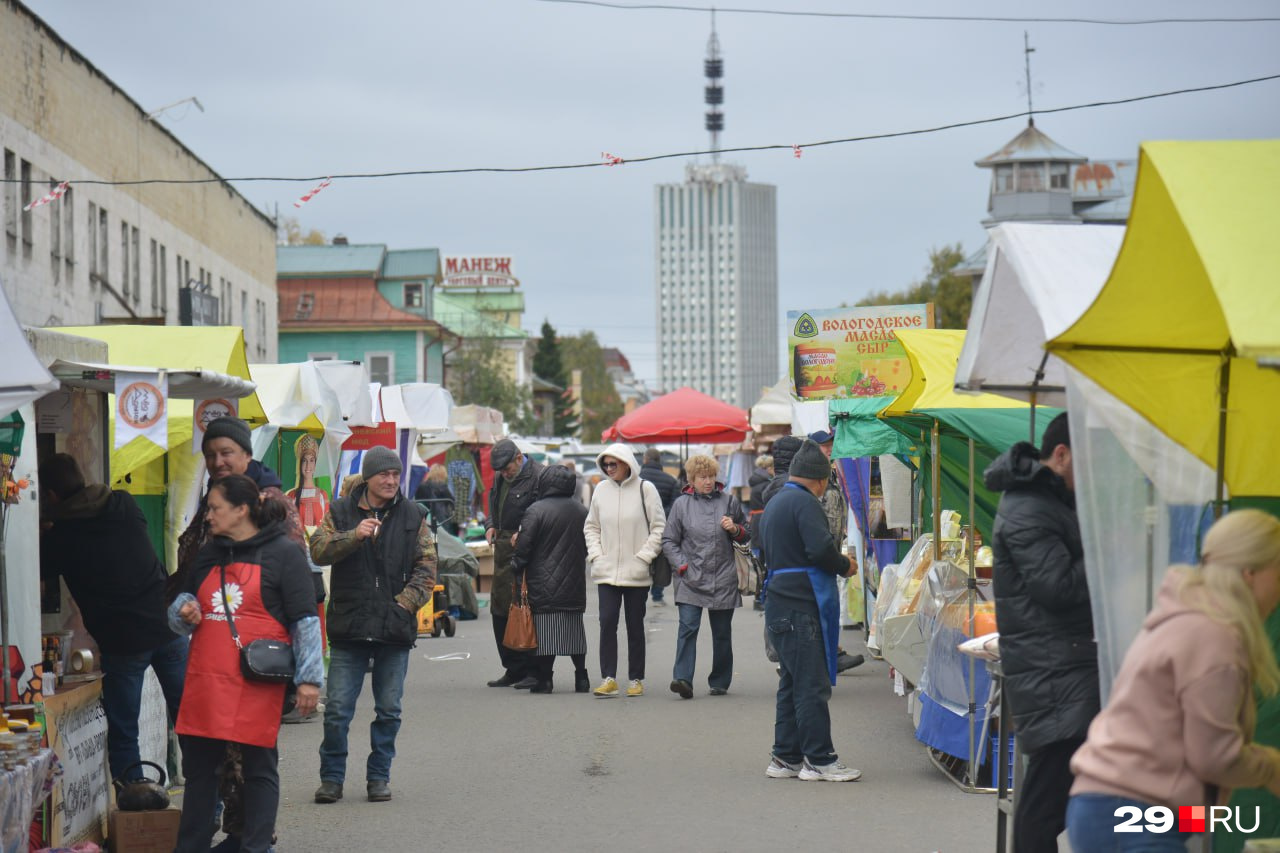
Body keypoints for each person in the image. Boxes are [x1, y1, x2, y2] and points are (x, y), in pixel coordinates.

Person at [1066, 509, 1280, 851]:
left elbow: (1187, 797)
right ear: (1250, 573)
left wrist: (1207, 816)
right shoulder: (1215, 638)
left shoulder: (1183, 617)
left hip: (1104, 806)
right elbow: (1214, 757)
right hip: (1134, 813)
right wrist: (1269, 768)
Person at [171, 416, 309, 848]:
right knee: (202, 771)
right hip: (208, 677)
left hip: (254, 676)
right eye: (211, 455)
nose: (217, 461)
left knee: (254, 769)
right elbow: (182, 595)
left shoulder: (281, 537)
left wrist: (308, 679)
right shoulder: (211, 546)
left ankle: (253, 843)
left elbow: (303, 616)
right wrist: (184, 610)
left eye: (226, 452)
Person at [983, 412, 1098, 852]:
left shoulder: (1049, 501)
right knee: (1042, 808)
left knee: (1053, 802)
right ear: (1062, 455)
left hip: (1063, 667)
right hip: (1054, 674)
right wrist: (1111, 547)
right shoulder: (1029, 507)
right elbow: (1058, 586)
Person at [38, 454, 186, 783]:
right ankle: (213, 802)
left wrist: (44, 532)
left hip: (123, 642)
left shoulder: (62, 537)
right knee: (190, 720)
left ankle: (135, 809)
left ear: (50, 496)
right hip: (167, 625)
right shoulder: (124, 505)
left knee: (124, 733)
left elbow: (39, 570)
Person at [310, 446, 437, 804]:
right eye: (384, 474)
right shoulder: (340, 512)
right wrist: (354, 536)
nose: (391, 481)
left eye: (396, 475)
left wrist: (402, 606)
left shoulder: (414, 516)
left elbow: (427, 571)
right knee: (337, 710)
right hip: (349, 628)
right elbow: (317, 550)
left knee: (389, 710)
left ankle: (378, 777)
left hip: (393, 629)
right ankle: (331, 778)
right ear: (368, 477)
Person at [758, 439, 862, 782]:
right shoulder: (804, 503)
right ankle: (820, 758)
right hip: (800, 605)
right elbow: (820, 550)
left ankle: (785, 757)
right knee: (811, 685)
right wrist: (844, 565)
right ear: (818, 480)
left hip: (779, 603)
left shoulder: (776, 502)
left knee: (791, 683)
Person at [661, 453, 748, 699]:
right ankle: (682, 679)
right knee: (687, 628)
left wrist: (736, 529)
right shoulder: (681, 505)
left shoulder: (729, 502)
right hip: (691, 577)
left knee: (721, 633)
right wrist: (682, 566)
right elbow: (669, 540)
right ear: (692, 479)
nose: (707, 481)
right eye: (702, 477)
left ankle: (720, 681)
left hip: (724, 577)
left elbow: (747, 533)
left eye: (711, 476)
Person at [584, 443, 666, 697]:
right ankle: (608, 678)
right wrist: (597, 555)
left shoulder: (646, 489)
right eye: (605, 464)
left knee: (634, 625)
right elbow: (591, 527)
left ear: (627, 463)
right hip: (607, 570)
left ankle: (635, 678)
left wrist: (644, 557)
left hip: (636, 572)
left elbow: (659, 527)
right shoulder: (600, 490)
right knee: (607, 622)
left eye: (613, 464)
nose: (609, 469)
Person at [511, 465, 591, 694]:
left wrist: (515, 566)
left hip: (543, 583)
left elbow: (524, 547)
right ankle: (581, 677)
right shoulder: (581, 511)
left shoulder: (535, 510)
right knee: (575, 631)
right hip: (574, 581)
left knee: (545, 633)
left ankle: (545, 680)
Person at [484, 439, 544, 689]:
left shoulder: (539, 476)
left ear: (519, 458)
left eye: (508, 468)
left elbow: (543, 512)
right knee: (500, 609)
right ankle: (512, 668)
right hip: (502, 547)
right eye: (501, 470)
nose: (505, 473)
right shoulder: (500, 478)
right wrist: (489, 525)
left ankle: (533, 668)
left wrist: (525, 531)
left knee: (525, 608)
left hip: (528, 548)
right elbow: (492, 504)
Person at [809, 430, 864, 670]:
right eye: (824, 446)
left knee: (826, 611)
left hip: (829, 553)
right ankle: (821, 659)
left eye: (831, 445)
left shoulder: (831, 476)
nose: (830, 449)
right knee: (818, 610)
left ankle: (832, 655)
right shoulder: (813, 482)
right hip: (819, 556)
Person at [638, 447, 678, 604]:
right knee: (661, 561)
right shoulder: (671, 480)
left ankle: (640, 591)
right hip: (662, 525)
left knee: (641, 557)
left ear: (645, 459)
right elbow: (675, 505)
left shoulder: (636, 479)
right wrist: (659, 514)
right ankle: (657, 594)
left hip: (640, 524)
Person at [285, 434, 329, 530]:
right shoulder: (291, 495)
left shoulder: (322, 495)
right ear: (299, 463)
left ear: (316, 464)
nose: (308, 465)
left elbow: (327, 527)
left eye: (312, 460)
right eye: (304, 460)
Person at [414, 463, 457, 536]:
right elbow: (452, 501)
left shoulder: (421, 486)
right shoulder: (443, 487)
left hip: (425, 518)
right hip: (442, 519)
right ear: (443, 474)